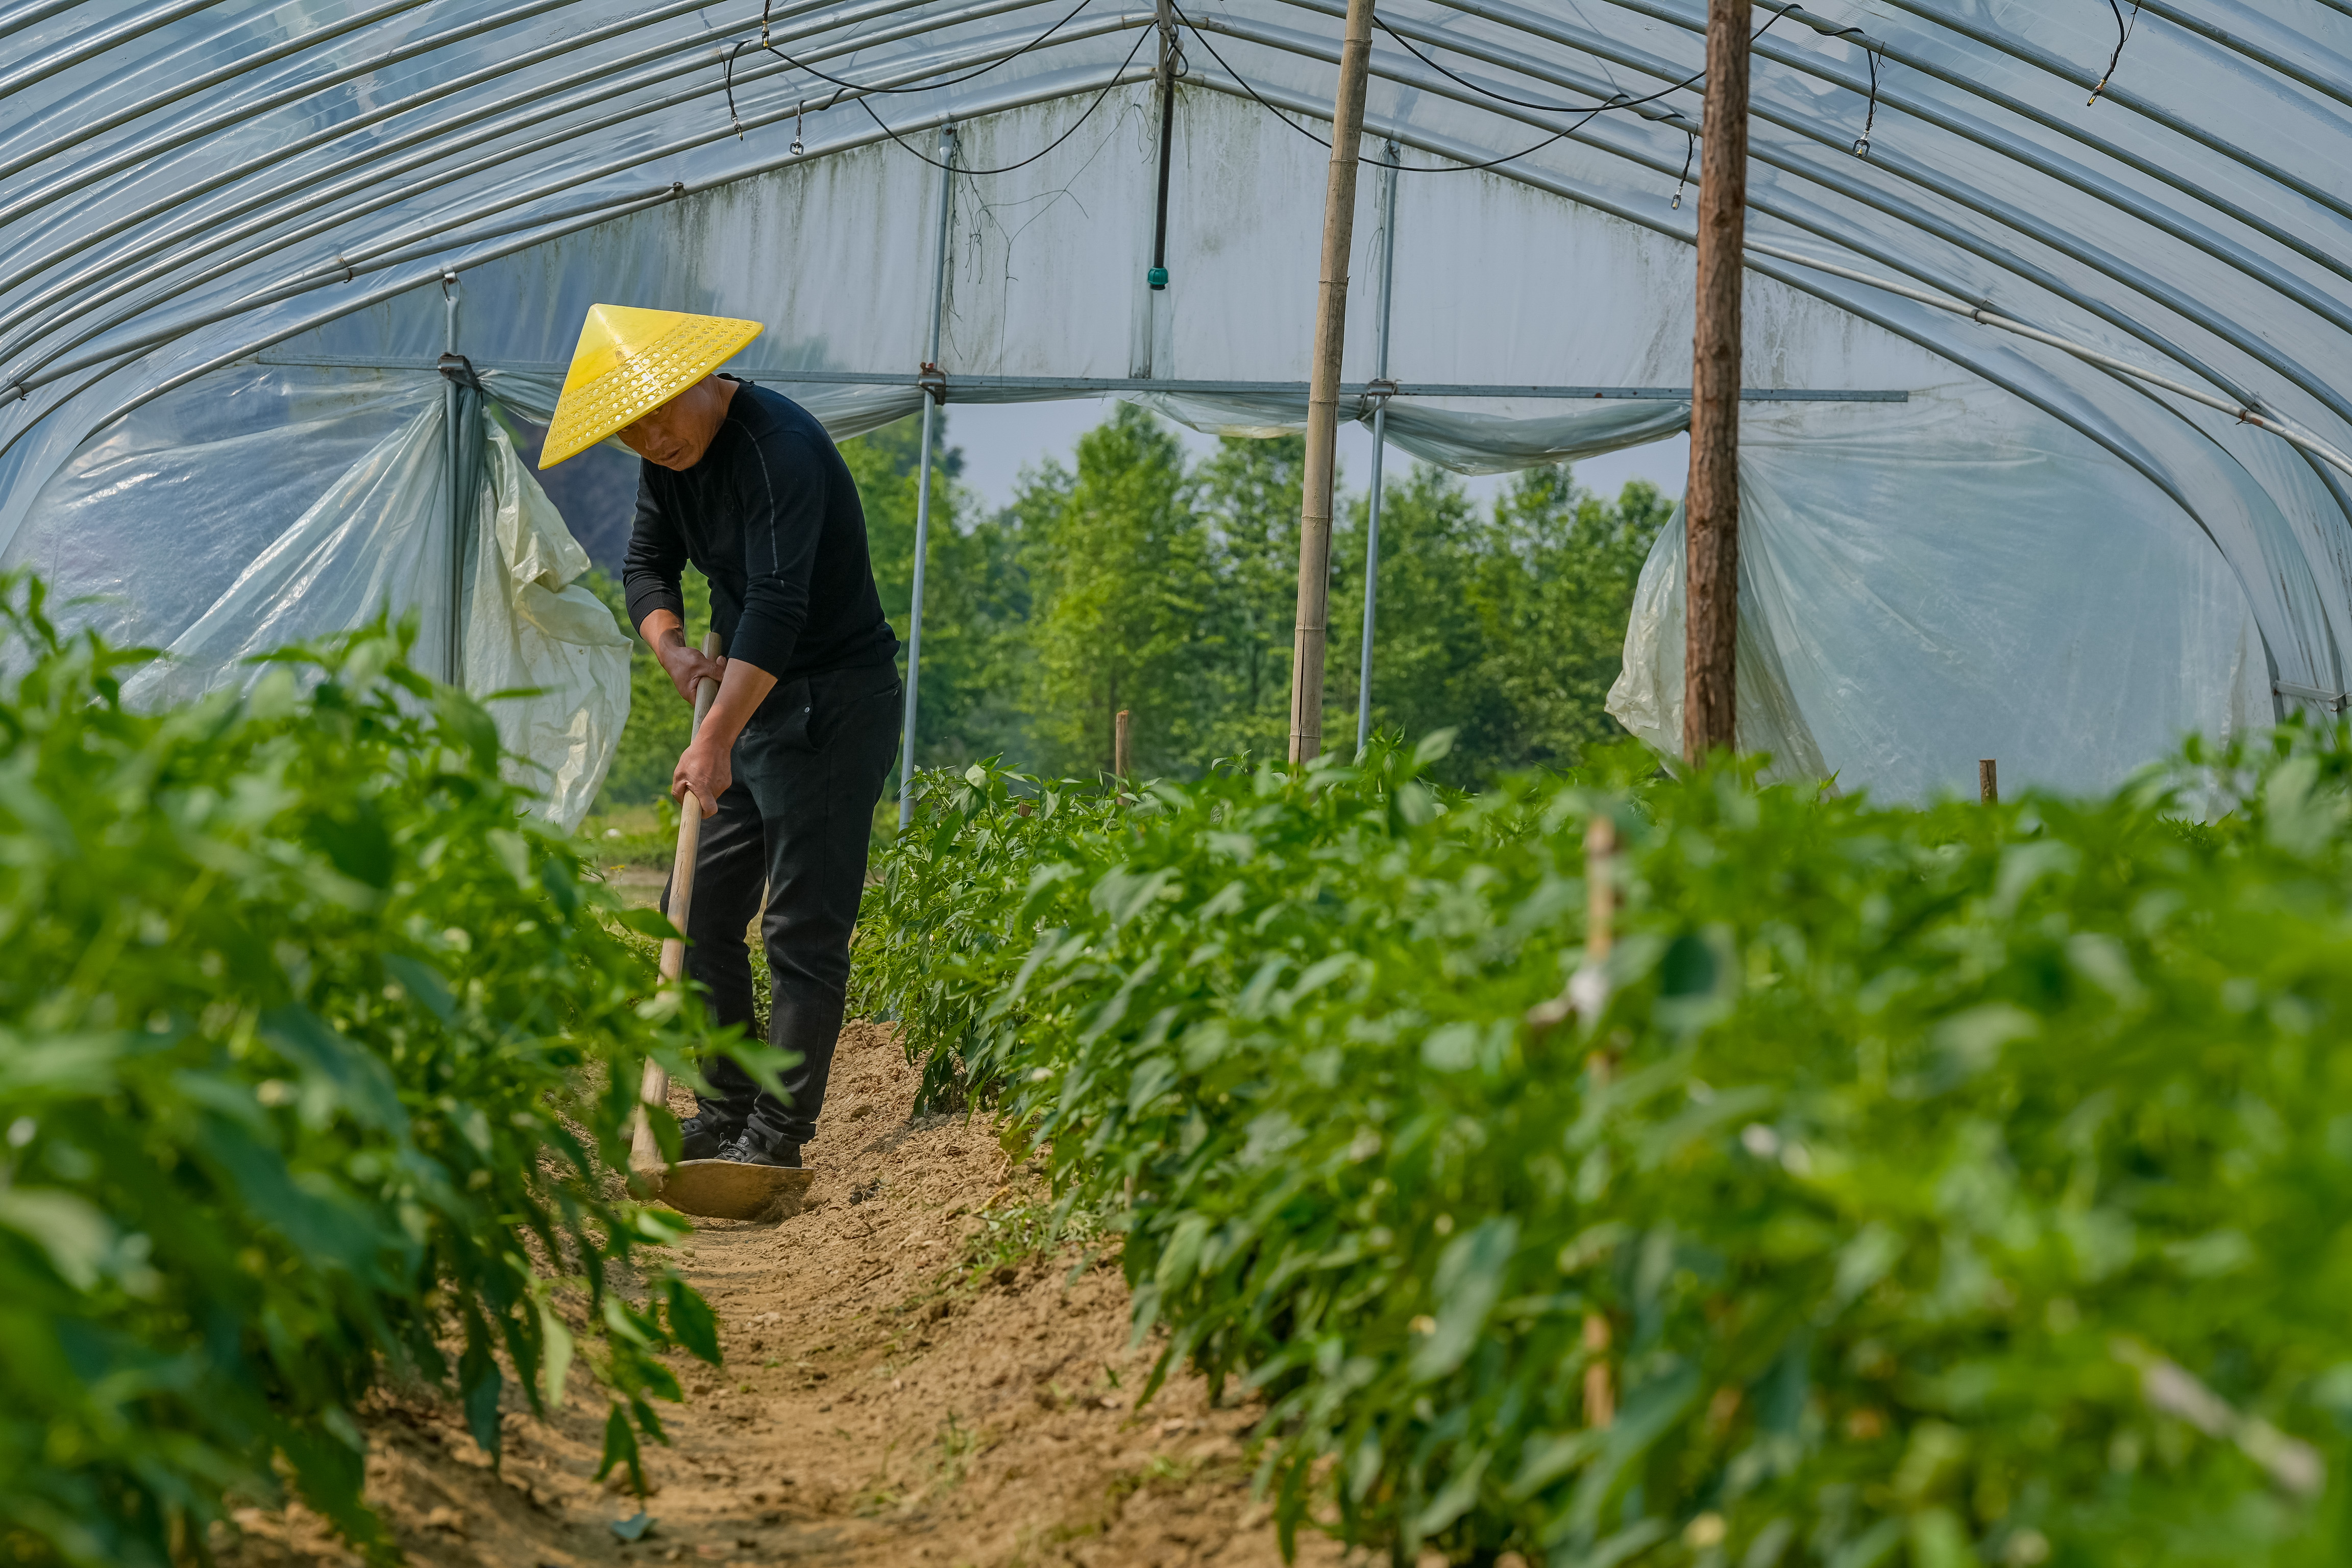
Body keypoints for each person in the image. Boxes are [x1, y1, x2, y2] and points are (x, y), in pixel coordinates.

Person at [538, 304, 902, 1170]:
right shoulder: (666, 464)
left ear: (703, 380)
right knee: (697, 913)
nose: (651, 437)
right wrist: (673, 652)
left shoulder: (779, 450)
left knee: (799, 928)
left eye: (659, 411)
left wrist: (713, 741)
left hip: (832, 702)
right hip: (746, 697)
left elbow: (780, 606)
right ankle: (725, 1109)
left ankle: (774, 1141)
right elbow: (645, 567)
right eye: (629, 428)